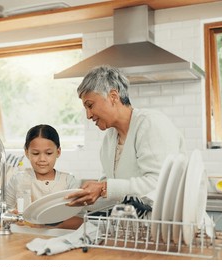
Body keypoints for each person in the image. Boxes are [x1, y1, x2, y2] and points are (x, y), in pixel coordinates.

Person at [65, 65, 185, 209]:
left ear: (113, 96)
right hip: (136, 227)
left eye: (90, 105)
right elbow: (109, 184)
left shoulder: (150, 123)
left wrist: (103, 187)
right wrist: (92, 192)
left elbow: (159, 183)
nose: (88, 115)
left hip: (174, 226)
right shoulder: (110, 139)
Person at [5, 124, 80, 211]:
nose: (42, 159)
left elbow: (79, 217)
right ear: (26, 152)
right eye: (36, 153)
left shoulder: (68, 182)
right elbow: (4, 211)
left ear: (58, 152)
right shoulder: (17, 180)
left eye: (48, 153)